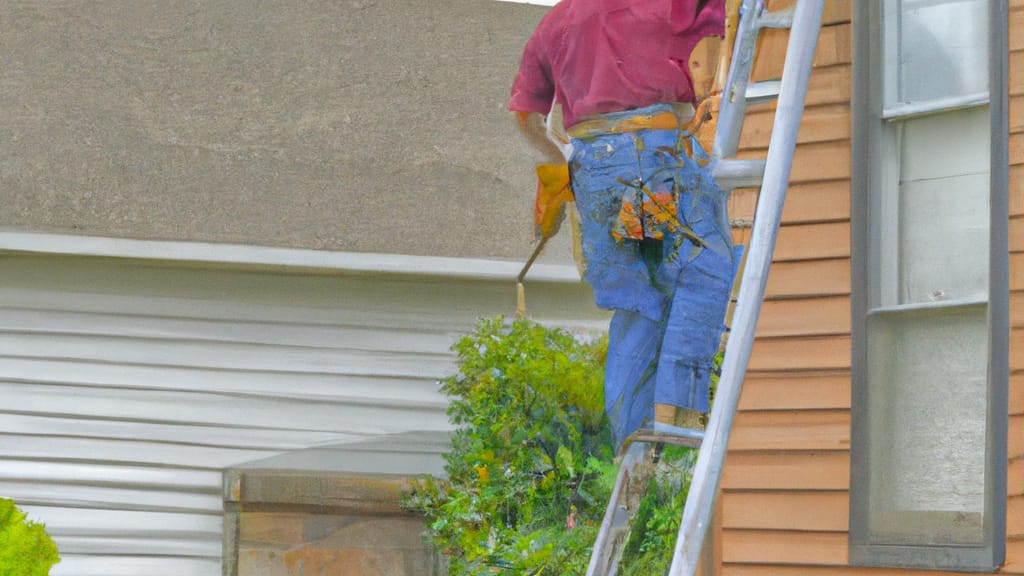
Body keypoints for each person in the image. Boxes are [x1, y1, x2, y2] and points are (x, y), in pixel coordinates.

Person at [509, 0, 736, 449]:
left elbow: (524, 117)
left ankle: (631, 451)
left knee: (639, 306)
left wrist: (558, 161)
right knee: (705, 269)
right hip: (650, 163)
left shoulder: (556, 20)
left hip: (594, 172)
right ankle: (679, 425)